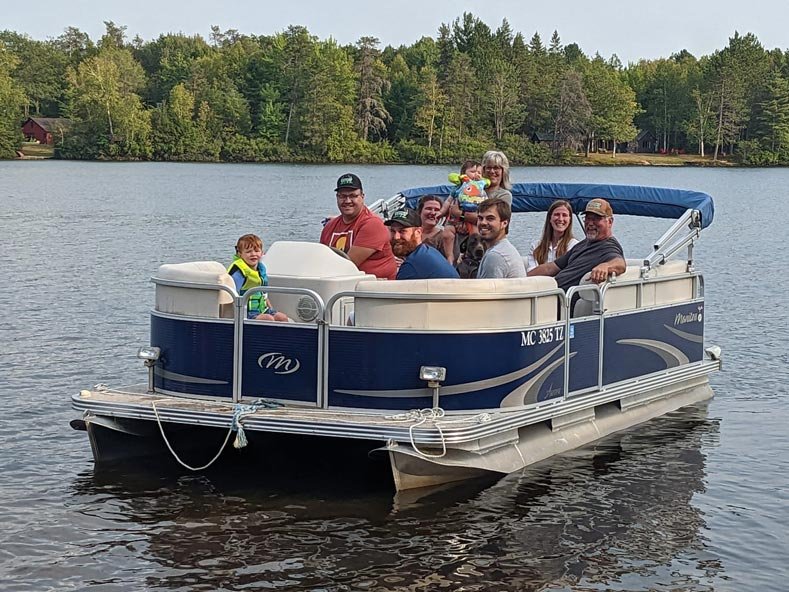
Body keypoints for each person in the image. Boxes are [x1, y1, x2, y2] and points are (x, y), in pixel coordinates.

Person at [528, 198, 626, 291]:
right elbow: (550, 268)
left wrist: (605, 266)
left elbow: (620, 263)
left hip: (564, 300)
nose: (590, 223)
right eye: (587, 218)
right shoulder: (583, 244)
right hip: (551, 292)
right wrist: (521, 280)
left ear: (610, 222)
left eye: (596, 218)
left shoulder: (609, 246)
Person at [320, 173, 397, 280]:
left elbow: (348, 266)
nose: (347, 201)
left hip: (374, 289)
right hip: (342, 286)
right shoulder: (330, 227)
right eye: (342, 196)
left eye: (353, 196)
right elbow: (321, 260)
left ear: (362, 197)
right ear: (337, 197)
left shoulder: (373, 224)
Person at [227, 234, 289, 321]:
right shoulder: (239, 272)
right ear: (240, 254)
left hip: (262, 309)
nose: (253, 254)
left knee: (282, 317)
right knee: (268, 319)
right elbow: (232, 296)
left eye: (256, 251)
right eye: (248, 252)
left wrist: (271, 309)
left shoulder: (261, 269)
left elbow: (264, 295)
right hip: (246, 312)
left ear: (262, 253)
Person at [384, 208, 459, 280]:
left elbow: (397, 291)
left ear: (418, 232)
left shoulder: (411, 266)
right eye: (393, 231)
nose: (396, 237)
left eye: (402, 231)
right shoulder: (428, 251)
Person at [441, 160, 486, 263]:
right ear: (463, 174)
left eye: (479, 173)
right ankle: (450, 256)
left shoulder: (481, 189)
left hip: (472, 220)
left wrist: (462, 215)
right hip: (455, 220)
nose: (476, 175)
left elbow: (485, 209)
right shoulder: (458, 188)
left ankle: (471, 256)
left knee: (476, 235)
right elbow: (448, 201)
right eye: (473, 171)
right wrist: (441, 212)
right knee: (447, 233)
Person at [476, 197, 527, 279]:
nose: (483, 223)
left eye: (490, 218)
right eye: (480, 218)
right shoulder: (504, 248)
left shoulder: (496, 256)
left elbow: (488, 291)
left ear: (504, 223)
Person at [526, 200, 579, 271]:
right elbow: (531, 273)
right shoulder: (535, 246)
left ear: (570, 220)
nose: (560, 219)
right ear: (550, 218)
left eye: (564, 215)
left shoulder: (574, 246)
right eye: (557, 214)